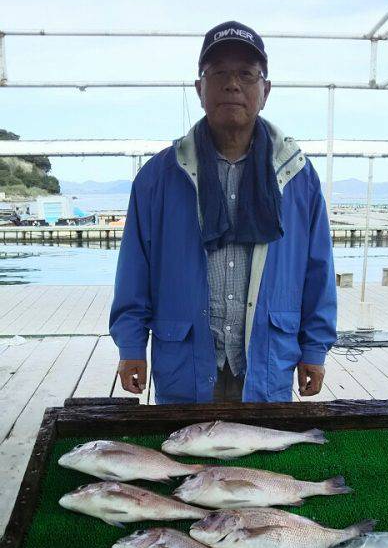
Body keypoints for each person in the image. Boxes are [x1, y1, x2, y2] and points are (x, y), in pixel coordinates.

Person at [110, 21, 336, 403]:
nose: (233, 84)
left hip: (267, 365)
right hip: (184, 366)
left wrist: (314, 349)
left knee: (262, 462)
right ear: (200, 88)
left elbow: (318, 268)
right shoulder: (159, 177)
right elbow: (135, 267)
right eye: (219, 73)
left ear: (265, 91)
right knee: (183, 458)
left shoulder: (297, 176)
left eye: (247, 74)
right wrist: (131, 347)